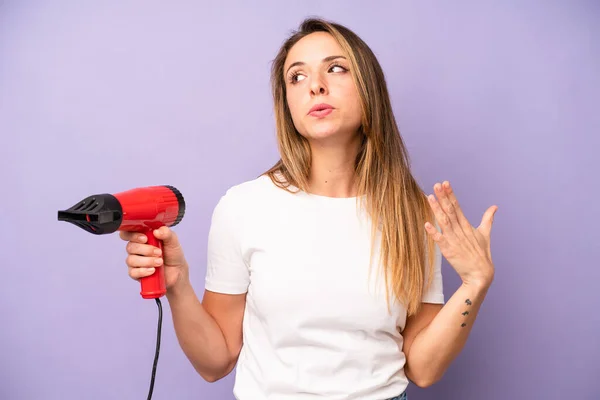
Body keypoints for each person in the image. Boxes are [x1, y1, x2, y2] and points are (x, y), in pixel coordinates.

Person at [120, 17, 497, 400]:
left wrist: (474, 283)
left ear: (369, 91)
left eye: (335, 68)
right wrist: (178, 285)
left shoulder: (412, 214)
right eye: (296, 77)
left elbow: (423, 368)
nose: (315, 85)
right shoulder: (245, 207)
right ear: (288, 105)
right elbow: (215, 363)